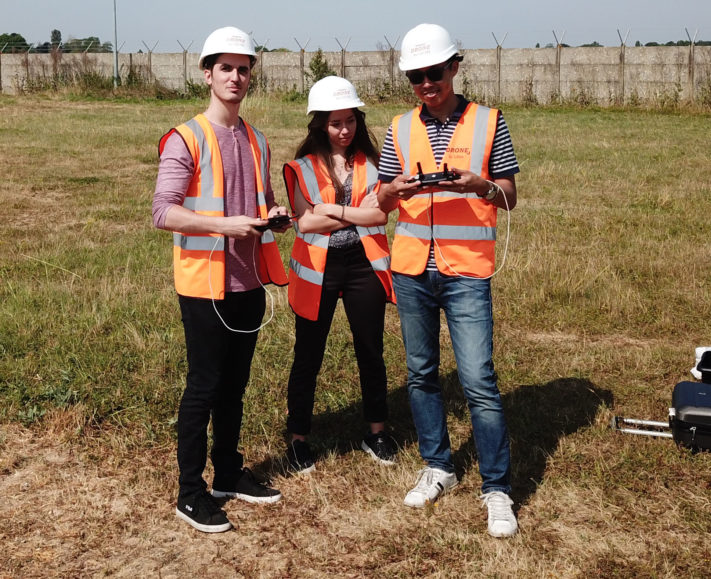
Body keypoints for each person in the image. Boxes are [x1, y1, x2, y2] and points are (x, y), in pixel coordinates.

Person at [375, 23, 520, 538]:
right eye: (415, 76)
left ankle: (497, 488)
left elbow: (509, 195)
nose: (425, 84)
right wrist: (396, 188)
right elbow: (382, 202)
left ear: (455, 67)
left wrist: (481, 185)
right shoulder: (398, 127)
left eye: (433, 73)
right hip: (412, 267)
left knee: (479, 380)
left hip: (465, 271)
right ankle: (438, 465)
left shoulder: (489, 122)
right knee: (421, 374)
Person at [152, 26, 290, 534]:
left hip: (248, 281)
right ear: (207, 74)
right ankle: (191, 493)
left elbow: (258, 199)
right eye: (226, 67)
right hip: (204, 285)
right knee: (204, 387)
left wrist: (270, 214)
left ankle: (228, 473)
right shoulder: (185, 137)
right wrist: (223, 225)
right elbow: (162, 212)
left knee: (235, 387)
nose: (236, 76)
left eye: (244, 68)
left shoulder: (257, 140)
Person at [281, 76, 398, 473]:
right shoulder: (302, 167)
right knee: (308, 356)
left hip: (364, 266)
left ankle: (377, 432)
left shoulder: (374, 163)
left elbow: (380, 214)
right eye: (335, 123)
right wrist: (350, 214)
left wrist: (333, 211)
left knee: (371, 351)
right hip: (319, 270)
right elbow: (304, 224)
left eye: (350, 121)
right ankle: (298, 439)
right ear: (319, 124)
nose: (344, 130)